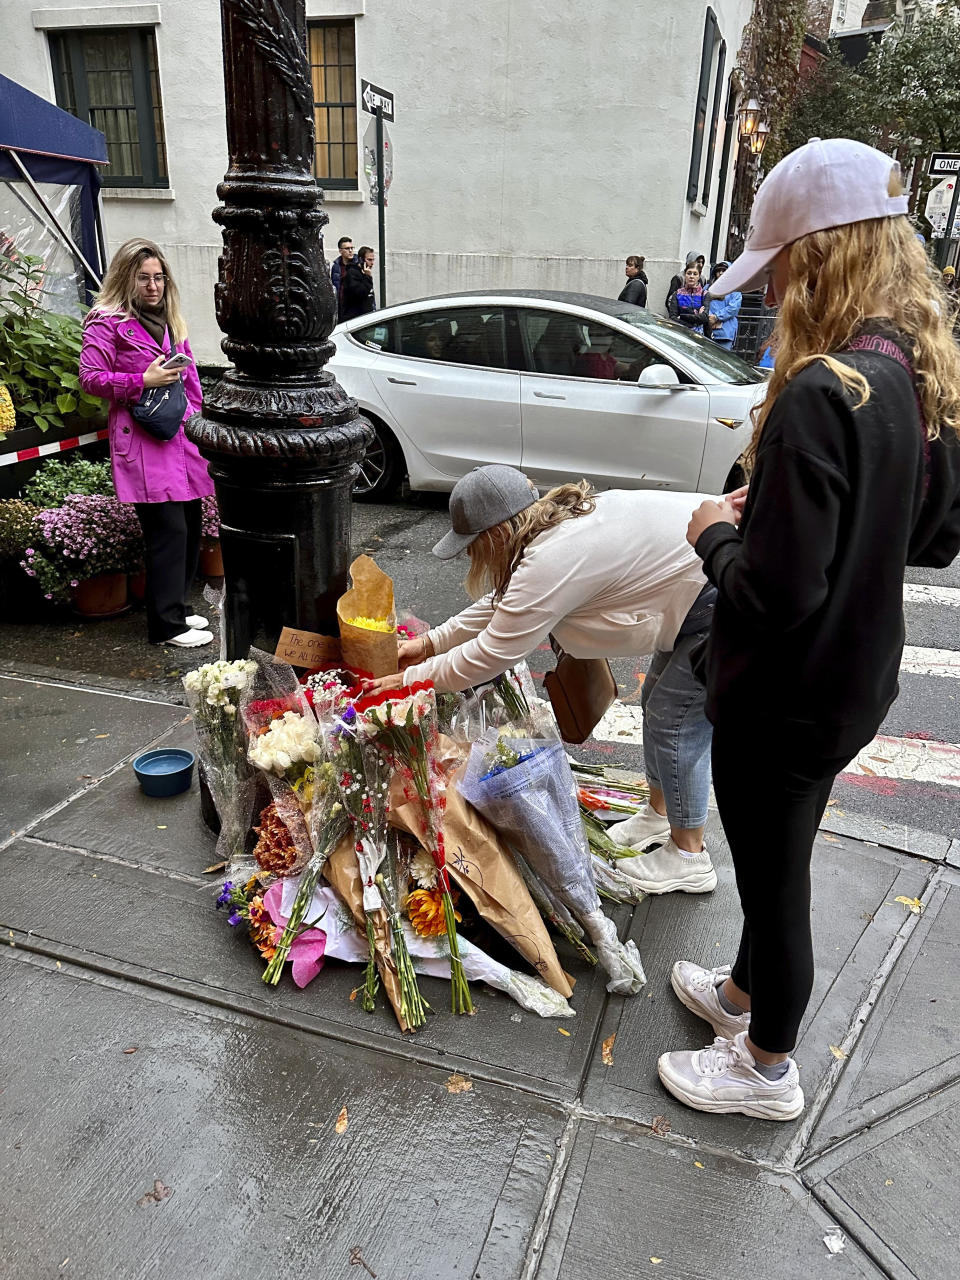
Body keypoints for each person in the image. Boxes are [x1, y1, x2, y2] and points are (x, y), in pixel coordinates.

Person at [656, 138, 960, 1122]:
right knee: (773, 856)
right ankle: (742, 998)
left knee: (776, 877)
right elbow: (937, 532)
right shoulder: (907, 375)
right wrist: (796, 513)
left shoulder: (823, 392)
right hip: (849, 682)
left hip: (785, 693)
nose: (773, 285)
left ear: (818, 255)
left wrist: (715, 534)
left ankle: (766, 1065)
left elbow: (769, 595)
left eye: (780, 263)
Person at [365, 464, 743, 894]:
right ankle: (660, 816)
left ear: (494, 535)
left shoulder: (553, 557)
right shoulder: (556, 526)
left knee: (676, 723)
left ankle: (689, 856)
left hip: (719, 598)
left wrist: (412, 680)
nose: (473, 558)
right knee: (658, 704)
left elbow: (492, 653)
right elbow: (506, 602)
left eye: (472, 547)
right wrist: (430, 644)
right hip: (697, 586)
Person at [79, 239, 215, 648]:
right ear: (127, 278)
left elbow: (190, 378)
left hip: (179, 436)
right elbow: (90, 378)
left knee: (190, 525)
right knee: (167, 530)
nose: (153, 286)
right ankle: (165, 626)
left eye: (159, 277)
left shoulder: (169, 319)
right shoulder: (106, 321)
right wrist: (141, 381)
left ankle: (174, 606)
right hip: (141, 440)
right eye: (144, 278)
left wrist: (198, 420)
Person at [705, 261, 741, 349]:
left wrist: (717, 317)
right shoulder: (707, 288)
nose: (721, 273)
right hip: (708, 330)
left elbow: (733, 308)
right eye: (719, 270)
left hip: (726, 331)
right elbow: (702, 302)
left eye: (724, 270)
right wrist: (708, 316)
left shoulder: (735, 289)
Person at [667, 265, 706, 333]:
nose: (691, 276)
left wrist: (682, 317)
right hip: (680, 333)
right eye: (689, 273)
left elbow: (704, 318)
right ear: (685, 275)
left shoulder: (704, 294)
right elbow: (673, 317)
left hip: (699, 336)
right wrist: (696, 317)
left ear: (699, 276)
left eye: (695, 274)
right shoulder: (677, 294)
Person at [341, 246, 376, 321]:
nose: (372, 263)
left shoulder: (365, 274)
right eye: (369, 260)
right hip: (355, 318)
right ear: (361, 259)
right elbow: (361, 293)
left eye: (373, 260)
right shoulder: (352, 273)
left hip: (367, 316)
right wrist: (368, 277)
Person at [330, 235, 356, 321]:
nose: (351, 251)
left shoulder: (358, 264)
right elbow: (334, 286)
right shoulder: (336, 267)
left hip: (354, 307)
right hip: (340, 308)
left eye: (352, 248)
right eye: (347, 248)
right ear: (340, 251)